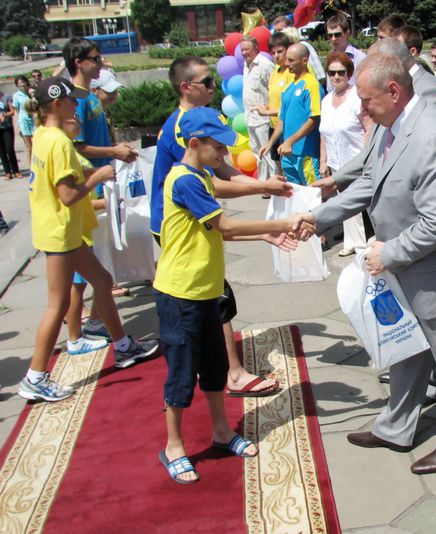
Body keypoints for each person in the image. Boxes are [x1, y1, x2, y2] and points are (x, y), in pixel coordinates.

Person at [297, 53, 436, 475]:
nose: (361, 109)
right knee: (405, 348)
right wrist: (317, 218)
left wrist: (388, 253)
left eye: (367, 100)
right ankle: (396, 427)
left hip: (432, 268)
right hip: (399, 263)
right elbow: (369, 182)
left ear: (394, 91)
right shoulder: (388, 125)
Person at [154, 106, 308, 484]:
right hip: (180, 295)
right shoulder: (184, 180)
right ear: (194, 144)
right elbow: (223, 224)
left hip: (205, 290)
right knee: (181, 374)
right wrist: (281, 222)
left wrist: (264, 234)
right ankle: (174, 446)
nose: (224, 155)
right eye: (217, 148)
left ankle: (221, 431)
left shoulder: (201, 175)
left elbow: (216, 231)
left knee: (215, 367)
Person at [151, 56, 292, 398]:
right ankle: (233, 372)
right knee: (216, 296)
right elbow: (213, 187)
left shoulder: (203, 122)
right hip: (176, 221)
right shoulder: (183, 129)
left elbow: (221, 169)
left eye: (215, 81)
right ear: (186, 87)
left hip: (191, 213)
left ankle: (224, 367)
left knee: (215, 291)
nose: (214, 87)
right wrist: (264, 196)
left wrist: (260, 183)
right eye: (207, 82)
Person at [18, 78, 158, 402]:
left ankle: (123, 346)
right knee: (59, 304)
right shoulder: (58, 143)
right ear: (56, 104)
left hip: (58, 228)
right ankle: (36, 376)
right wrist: (98, 175)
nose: (75, 105)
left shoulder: (43, 135)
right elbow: (67, 196)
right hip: (60, 231)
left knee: (102, 279)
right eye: (70, 100)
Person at [319, 52, 372, 257]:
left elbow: (368, 127)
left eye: (341, 72)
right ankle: (352, 242)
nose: (336, 77)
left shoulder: (356, 97)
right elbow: (323, 133)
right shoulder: (326, 100)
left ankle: (364, 244)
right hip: (336, 160)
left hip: (356, 159)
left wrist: (367, 157)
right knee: (345, 203)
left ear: (349, 73)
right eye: (332, 72)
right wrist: (324, 161)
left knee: (361, 202)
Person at [63, 38, 137, 169]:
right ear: (79, 62)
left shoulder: (88, 94)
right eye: (96, 60)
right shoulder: (75, 100)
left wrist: (116, 148)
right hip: (91, 179)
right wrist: (113, 151)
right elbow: (76, 147)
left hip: (104, 175)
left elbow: (95, 140)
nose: (101, 64)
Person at [260, 43, 323, 186]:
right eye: (287, 59)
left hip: (306, 154)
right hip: (288, 154)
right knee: (294, 196)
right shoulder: (289, 87)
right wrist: (270, 143)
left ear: (304, 60)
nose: (287, 64)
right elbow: (282, 119)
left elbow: (313, 119)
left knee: (313, 195)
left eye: (291, 60)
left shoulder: (311, 84)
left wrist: (291, 141)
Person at [257, 32, 294, 177]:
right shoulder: (275, 72)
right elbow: (275, 100)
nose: (276, 56)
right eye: (273, 53)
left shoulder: (291, 73)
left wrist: (267, 112)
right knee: (277, 164)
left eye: (280, 52)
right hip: (273, 125)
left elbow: (290, 107)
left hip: (286, 126)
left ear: (288, 49)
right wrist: (265, 108)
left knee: (288, 166)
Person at [240, 35, 275, 181]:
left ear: (256, 48)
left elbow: (273, 90)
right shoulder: (246, 64)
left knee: (268, 153)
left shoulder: (265, 65)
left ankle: (275, 181)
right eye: (242, 50)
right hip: (250, 117)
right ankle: (263, 183)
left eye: (247, 49)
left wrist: (267, 108)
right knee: (257, 153)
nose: (243, 53)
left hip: (263, 119)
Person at [271, 16, 326, 86]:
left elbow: (319, 74)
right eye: (276, 31)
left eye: (280, 30)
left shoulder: (303, 46)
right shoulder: (280, 53)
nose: (278, 34)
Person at [325, 13, 367, 91]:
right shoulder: (330, 57)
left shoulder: (360, 57)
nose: (333, 39)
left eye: (337, 35)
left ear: (347, 33)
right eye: (330, 35)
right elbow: (330, 88)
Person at [11, 75, 35, 166]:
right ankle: (31, 165)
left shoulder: (31, 92)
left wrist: (32, 94)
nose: (22, 85)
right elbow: (16, 111)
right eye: (19, 83)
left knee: (36, 144)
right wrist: (17, 125)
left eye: (23, 82)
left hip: (33, 119)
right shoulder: (16, 96)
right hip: (23, 120)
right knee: (29, 146)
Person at [0, 90, 21, 179]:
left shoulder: (6, 97)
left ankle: (16, 171)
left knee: (9, 149)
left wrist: (5, 115)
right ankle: (7, 172)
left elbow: (12, 112)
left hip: (7, 127)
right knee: (1, 151)